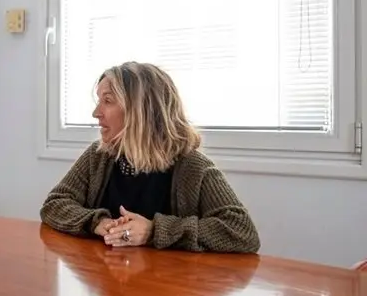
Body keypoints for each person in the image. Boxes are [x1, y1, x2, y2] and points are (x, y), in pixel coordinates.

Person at [40, 61, 260, 253]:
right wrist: (98, 222)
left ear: (141, 110)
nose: (96, 112)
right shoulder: (98, 157)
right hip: (107, 281)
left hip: (170, 289)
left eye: (107, 101)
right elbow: (54, 204)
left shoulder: (194, 167)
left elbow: (242, 232)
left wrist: (153, 230)